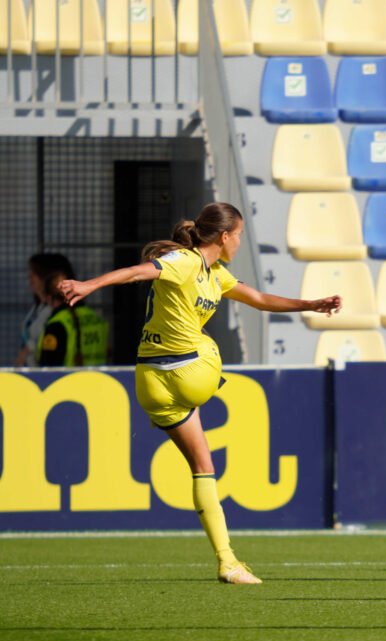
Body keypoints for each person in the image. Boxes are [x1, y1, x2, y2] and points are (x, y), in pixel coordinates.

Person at [59, 202, 341, 585]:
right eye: (238, 235)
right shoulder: (186, 261)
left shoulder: (217, 274)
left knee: (203, 467)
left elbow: (258, 299)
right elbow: (137, 272)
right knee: (206, 342)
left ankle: (228, 561)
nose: (239, 242)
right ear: (224, 237)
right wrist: (89, 284)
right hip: (190, 371)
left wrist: (309, 304)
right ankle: (226, 562)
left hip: (151, 382)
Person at [16, 253, 77, 367]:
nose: (30, 277)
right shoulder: (37, 308)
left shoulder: (56, 312)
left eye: (34, 273)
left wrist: (27, 350)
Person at [37, 272, 109, 367]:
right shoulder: (98, 319)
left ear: (49, 298)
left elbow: (48, 369)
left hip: (69, 380)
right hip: (101, 379)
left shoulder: (56, 325)